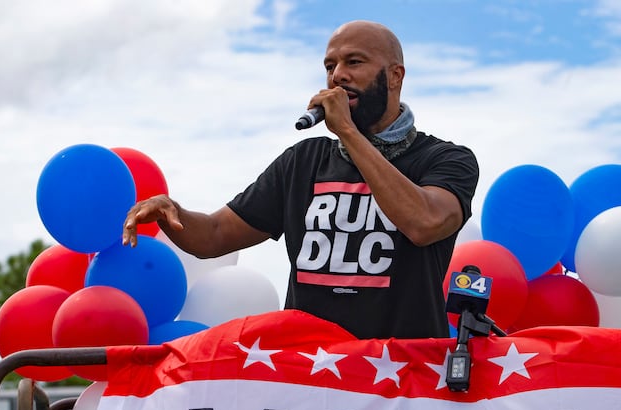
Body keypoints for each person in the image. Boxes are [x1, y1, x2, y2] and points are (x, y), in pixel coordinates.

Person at [122, 20, 479, 340]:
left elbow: (424, 222)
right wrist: (173, 212)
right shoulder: (302, 162)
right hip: (313, 380)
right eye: (330, 66)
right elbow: (215, 235)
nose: (338, 75)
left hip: (404, 381)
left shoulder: (446, 159)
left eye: (353, 62)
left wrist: (348, 133)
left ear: (395, 76)